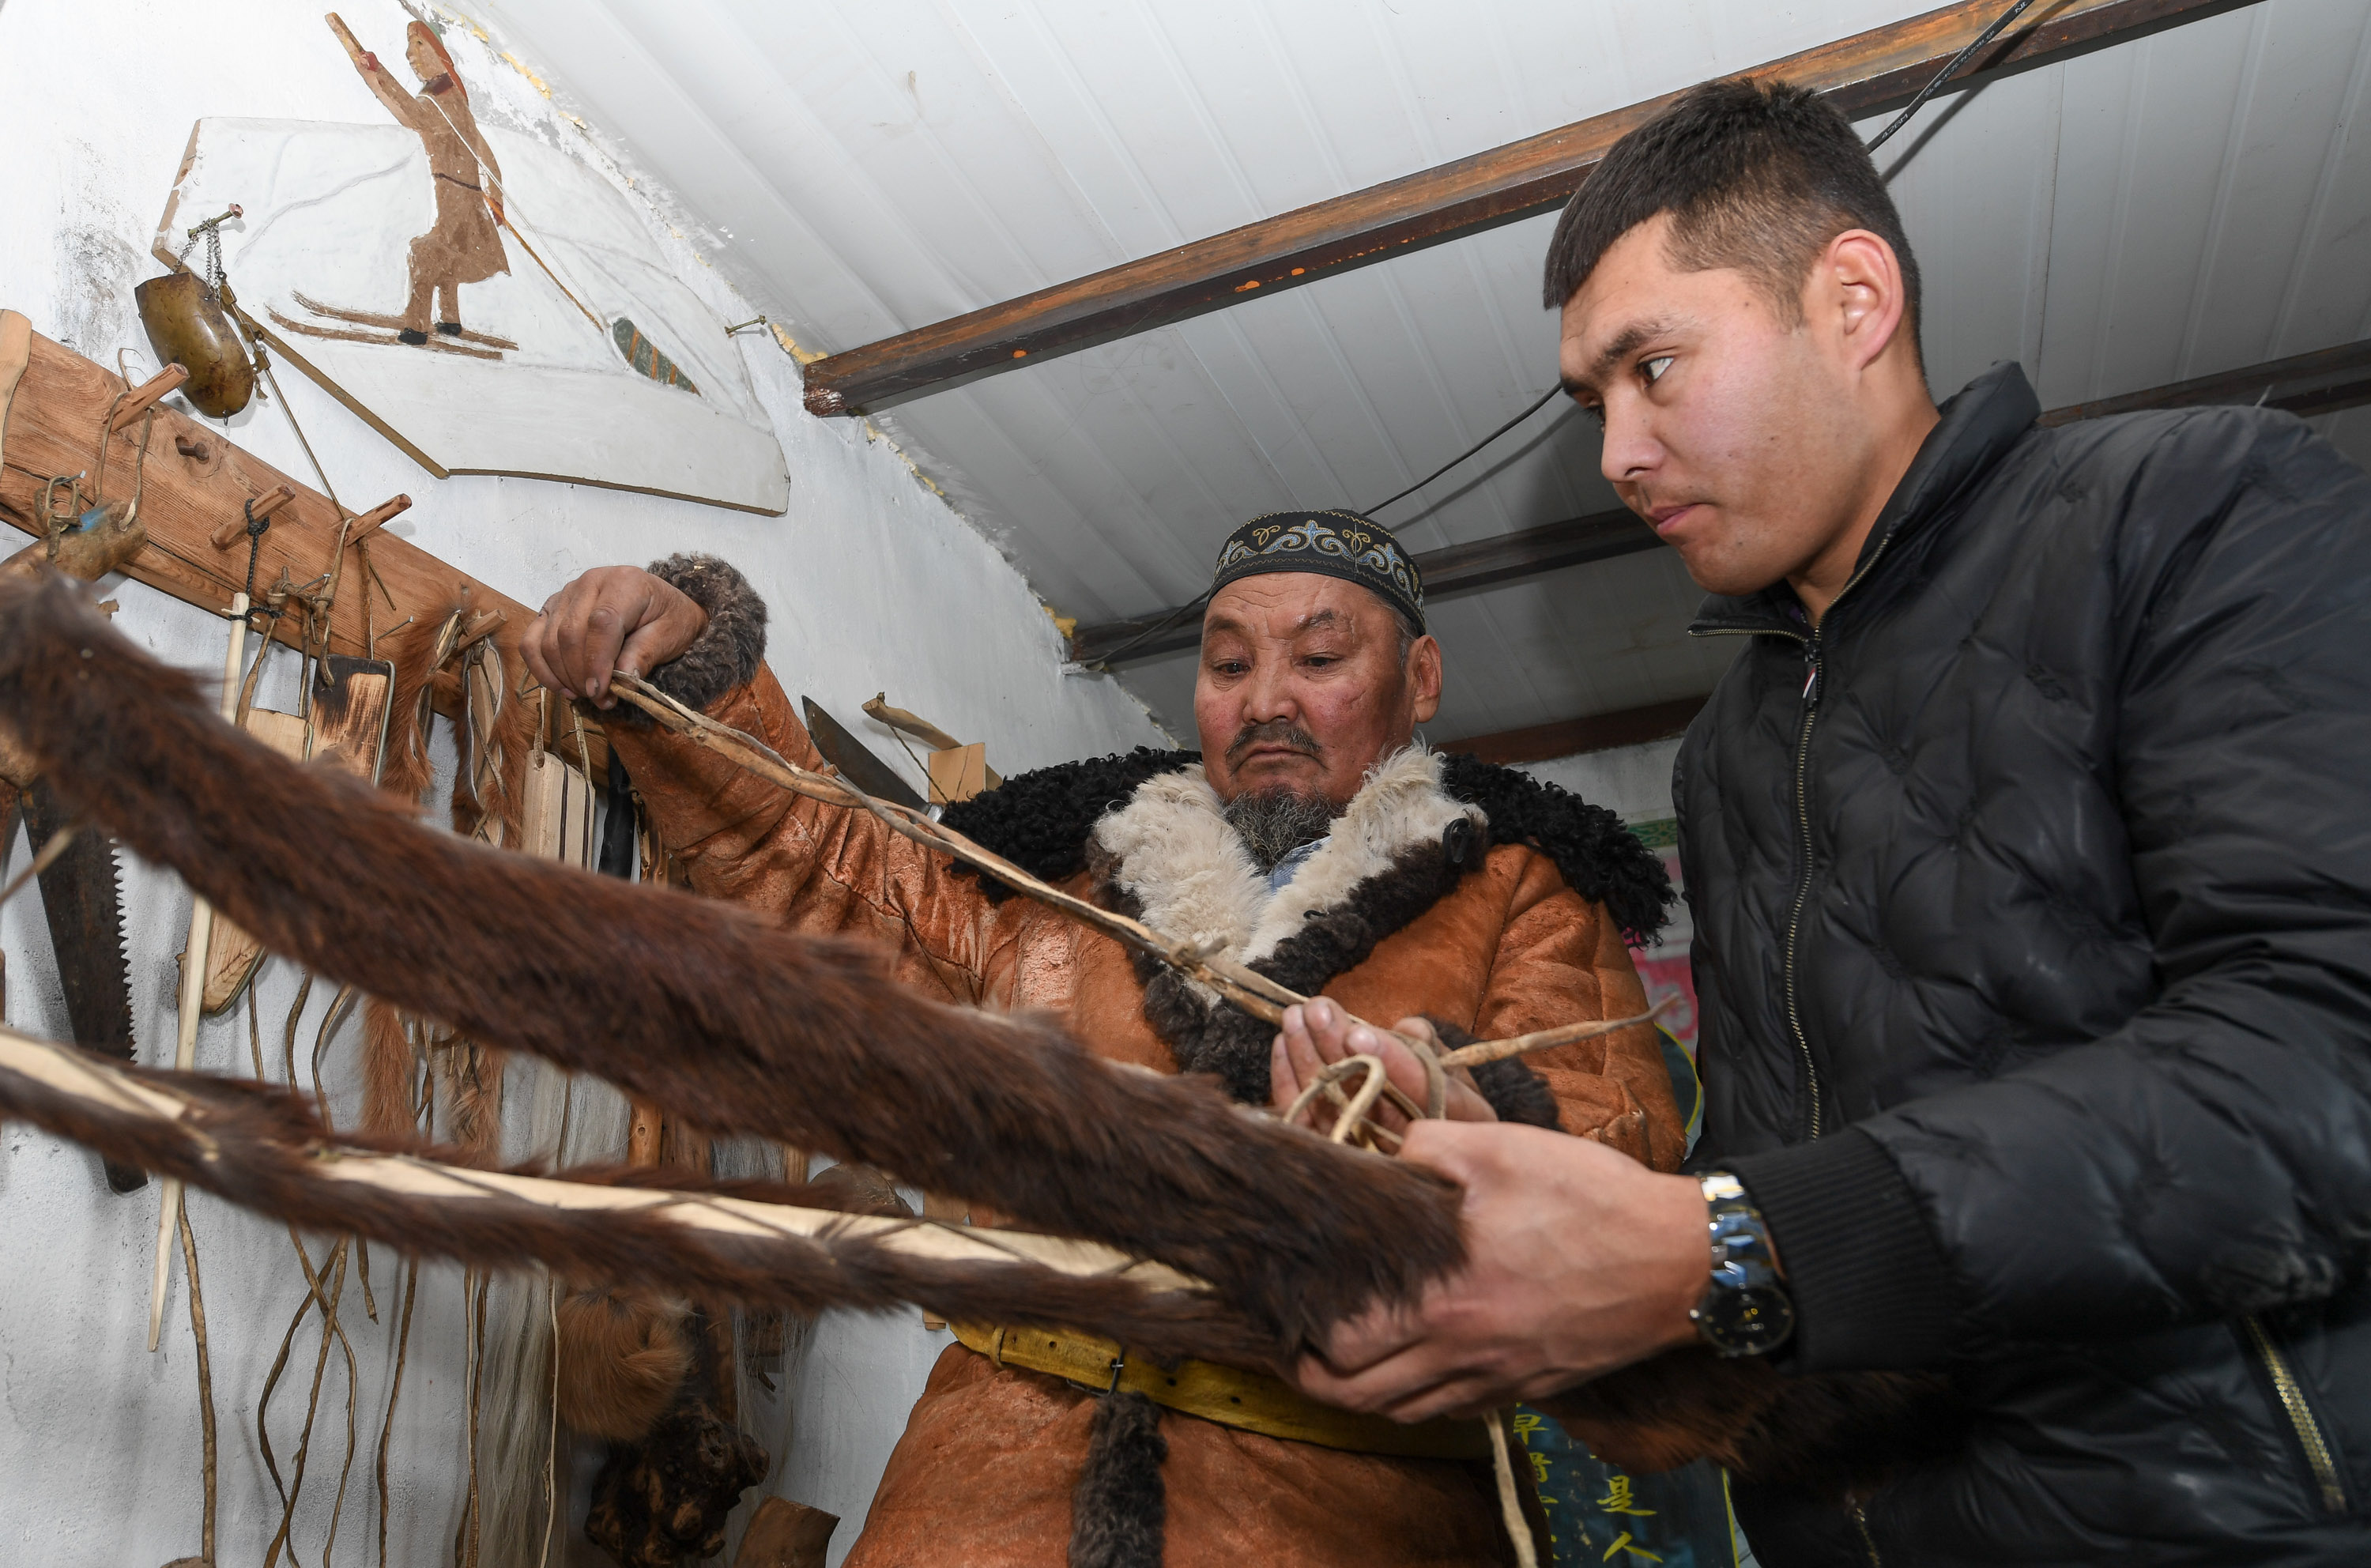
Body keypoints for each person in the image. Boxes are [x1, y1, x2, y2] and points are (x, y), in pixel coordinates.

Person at [1280, 77, 2371, 1566]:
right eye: (1594, 401)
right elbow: (1786, 1167)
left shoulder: (2193, 508)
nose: (1615, 452)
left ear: (1853, 297)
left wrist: (1718, 1240)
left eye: (1652, 365)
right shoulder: (1732, 744)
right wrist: (1537, 1167)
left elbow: (2322, 1067)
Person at [522, 514, 1686, 1566]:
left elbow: (1612, 1147)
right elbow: (827, 879)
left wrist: (1459, 1114)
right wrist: (689, 659)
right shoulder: (1065, 892)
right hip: (981, 1499)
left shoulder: (1519, 893)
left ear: (1419, 677)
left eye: (1321, 660)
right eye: (1229, 664)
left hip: (1354, 1505)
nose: (1266, 697)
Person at [334, 19, 509, 344]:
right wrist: (495, 196)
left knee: (427, 254)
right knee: (448, 255)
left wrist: (377, 73)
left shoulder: (444, 99)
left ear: (442, 57)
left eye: (419, 46)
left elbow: (416, 116)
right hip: (455, 192)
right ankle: (450, 319)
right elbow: (481, 152)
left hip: (458, 193)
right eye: (409, 48)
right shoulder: (447, 97)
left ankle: (416, 326)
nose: (411, 55)